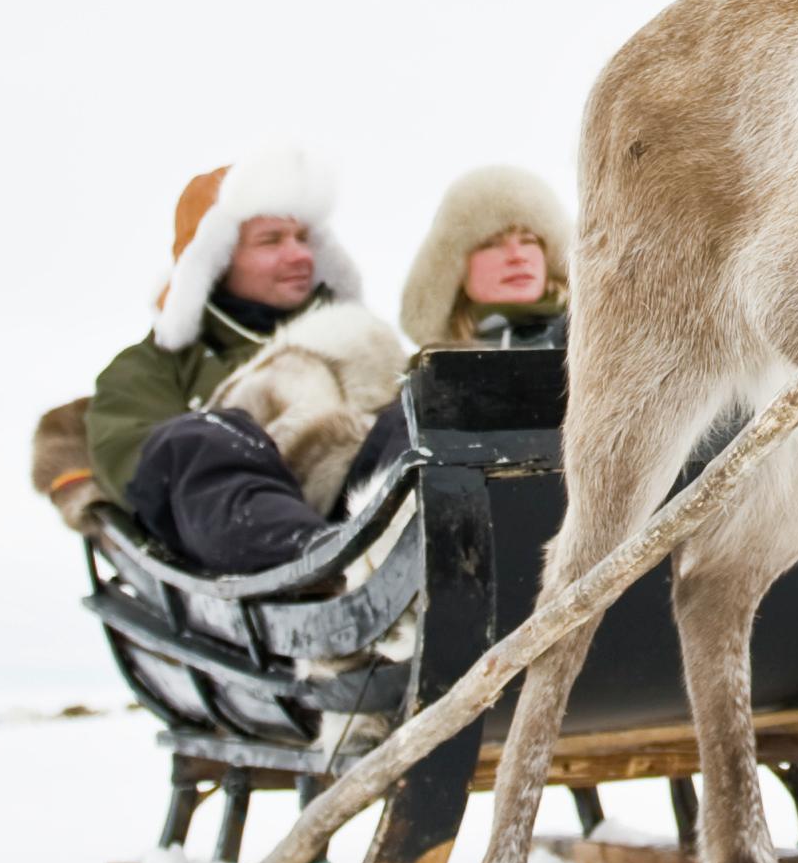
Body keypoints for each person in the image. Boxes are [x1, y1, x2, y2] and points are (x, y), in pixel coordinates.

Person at [66, 146, 408, 576]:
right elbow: (141, 472)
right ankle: (309, 561)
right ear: (216, 259)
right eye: (271, 241)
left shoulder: (361, 344)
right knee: (197, 438)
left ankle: (440, 554)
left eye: (303, 239)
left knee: (424, 411)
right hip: (246, 539)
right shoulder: (149, 369)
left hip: (359, 505)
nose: (299, 256)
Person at [391, 165, 574, 349]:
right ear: (457, 272)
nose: (517, 256)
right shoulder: (428, 372)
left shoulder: (597, 350)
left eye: (528, 241)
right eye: (491, 244)